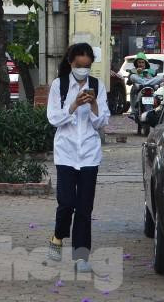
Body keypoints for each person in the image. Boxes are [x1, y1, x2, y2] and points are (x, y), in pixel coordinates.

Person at [45, 42, 110, 275]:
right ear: (71, 63)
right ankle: (57, 236)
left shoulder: (97, 86)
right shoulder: (59, 85)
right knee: (66, 203)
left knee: (84, 207)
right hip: (65, 153)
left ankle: (81, 256)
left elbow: (102, 122)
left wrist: (93, 104)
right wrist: (72, 105)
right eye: (79, 65)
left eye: (87, 66)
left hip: (89, 155)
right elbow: (53, 118)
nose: (83, 70)